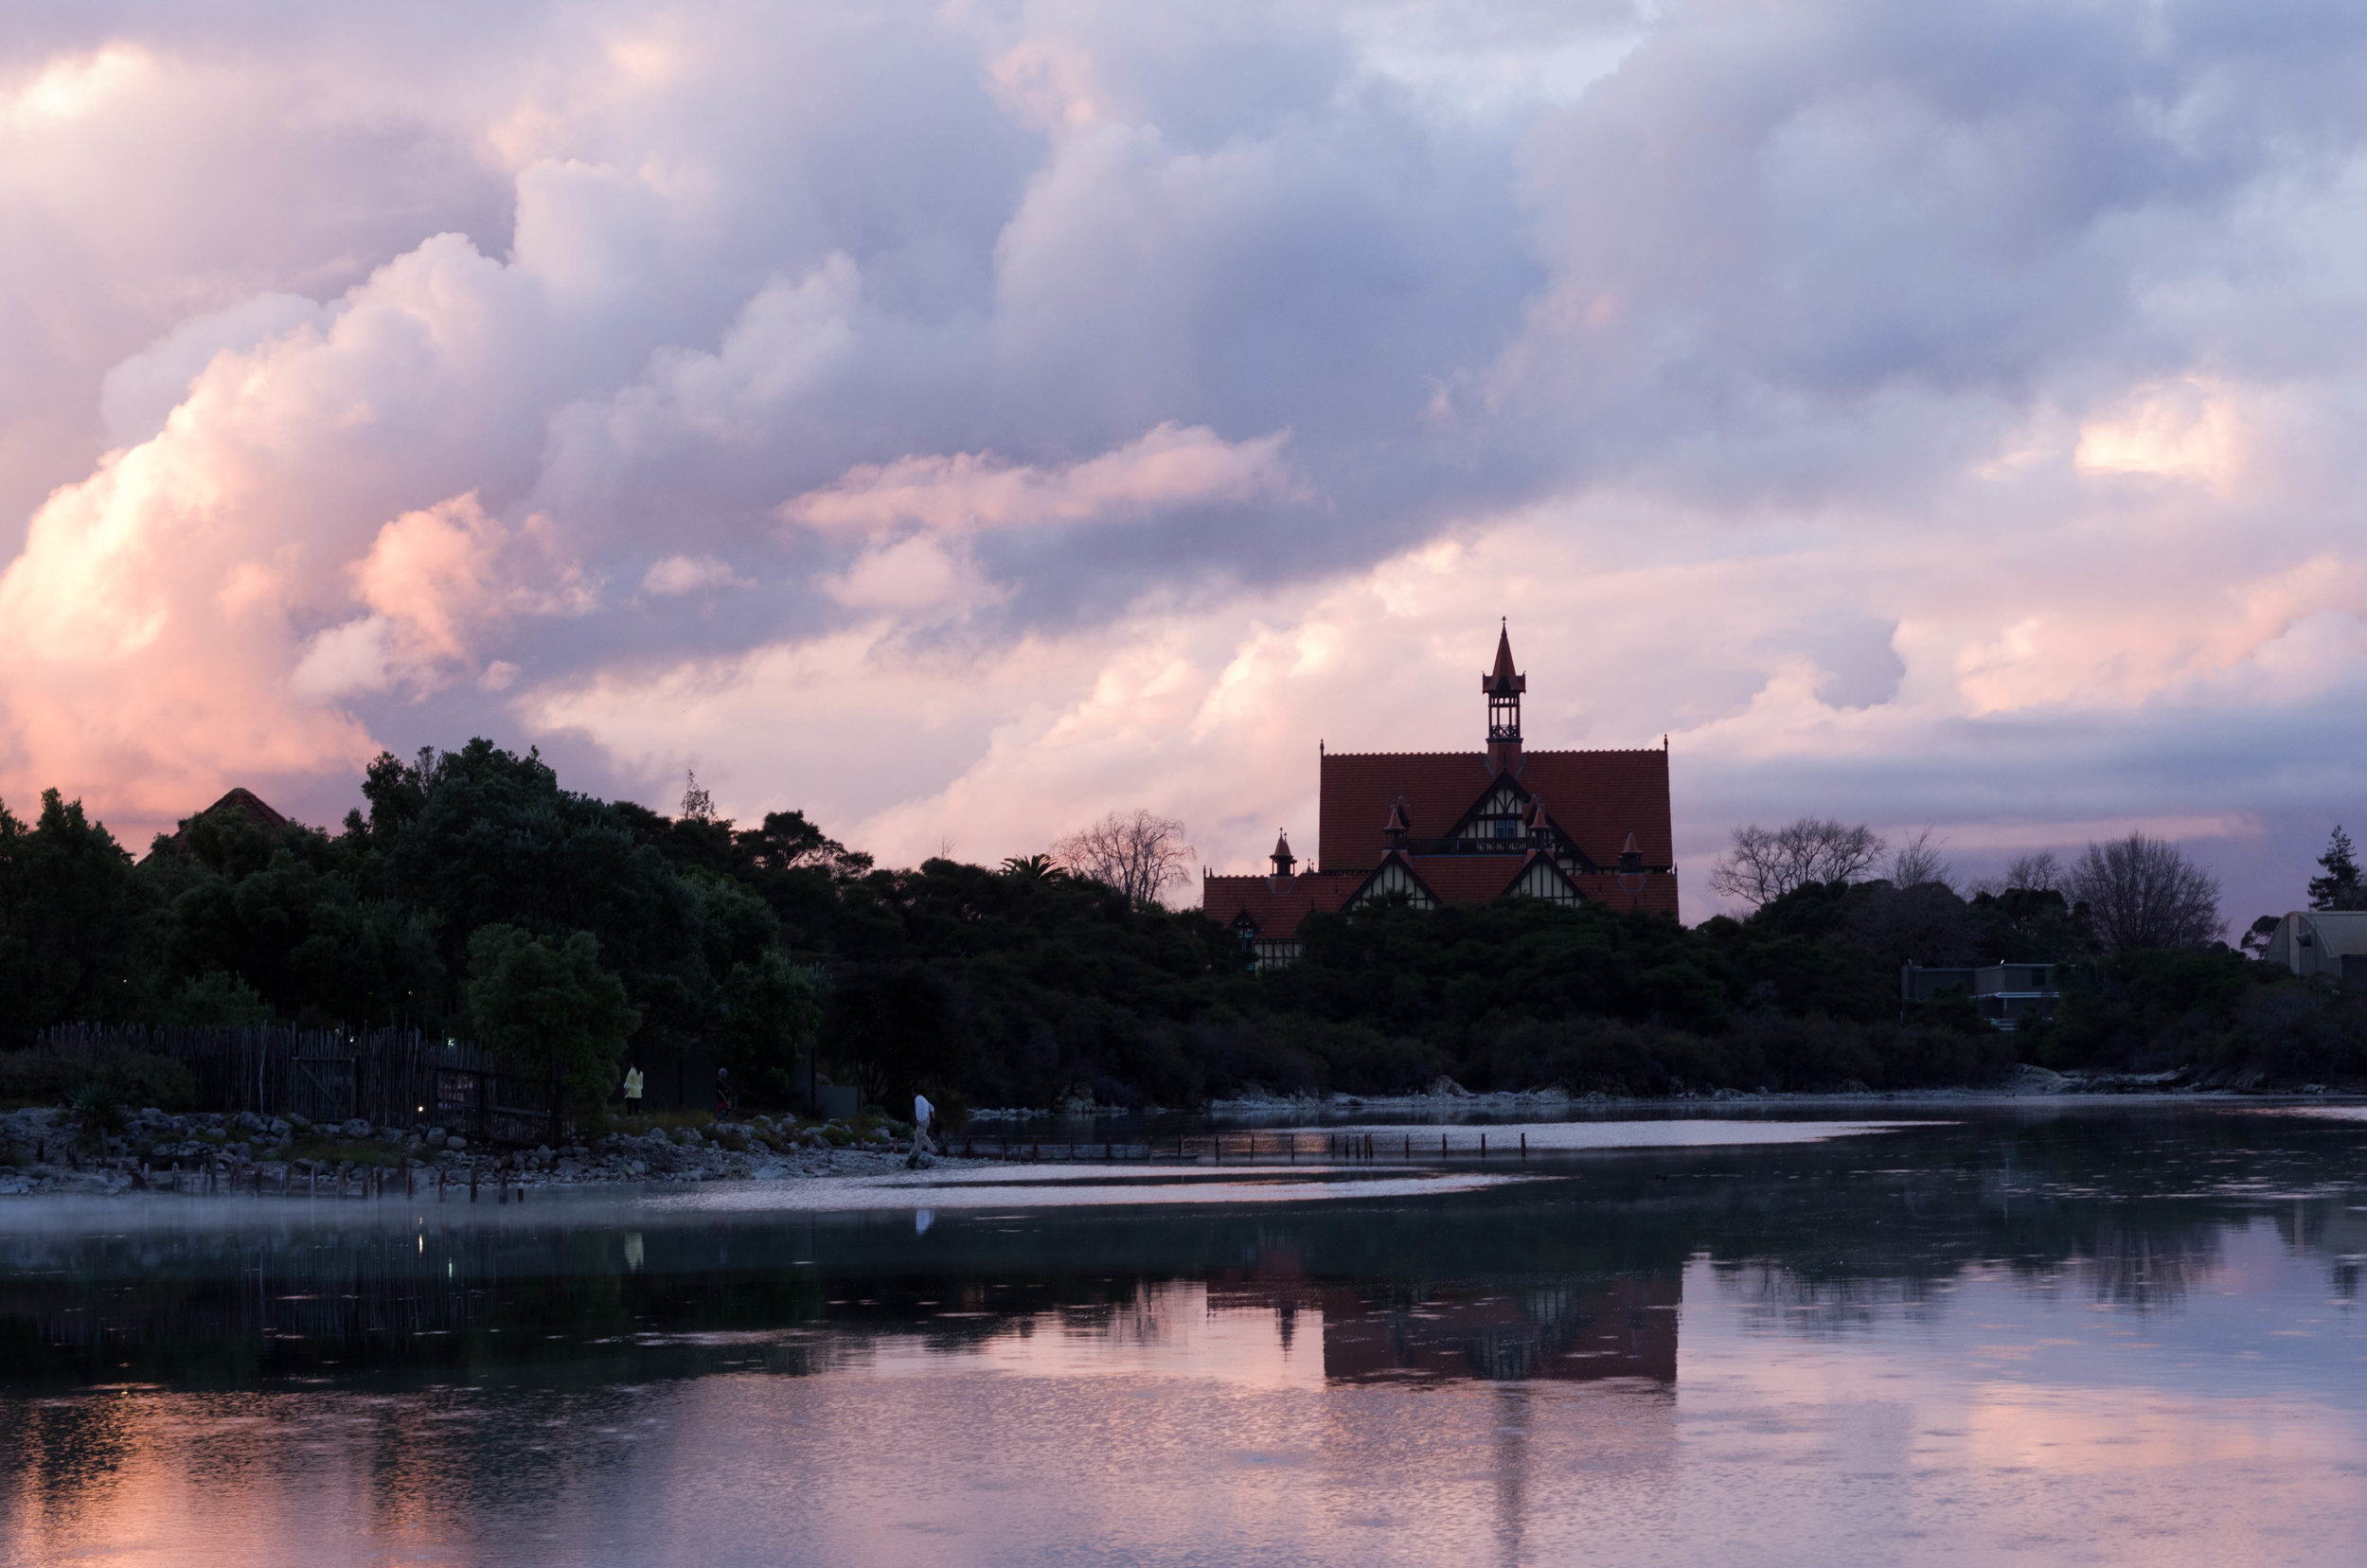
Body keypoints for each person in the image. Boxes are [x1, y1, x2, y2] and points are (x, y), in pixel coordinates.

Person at [912, 1093, 937, 1159]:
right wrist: (932, 1113)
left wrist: (918, 1120)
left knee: (922, 1135)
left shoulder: (917, 1099)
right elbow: (931, 1106)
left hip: (922, 1119)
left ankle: (933, 1149)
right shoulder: (924, 1099)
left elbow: (918, 1110)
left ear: (914, 1093)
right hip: (926, 1119)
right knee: (917, 1135)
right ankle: (918, 1151)